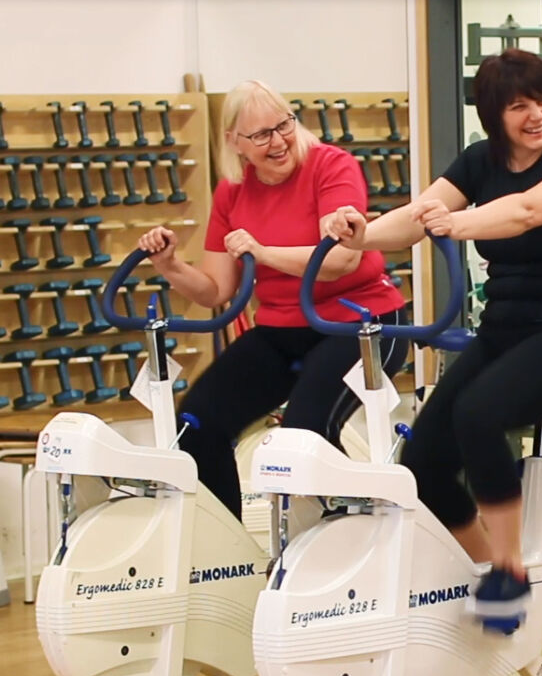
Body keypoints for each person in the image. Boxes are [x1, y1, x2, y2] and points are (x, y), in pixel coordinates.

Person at [320, 49, 542, 624]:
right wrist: (360, 234)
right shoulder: (480, 161)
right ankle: (489, 572)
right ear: (493, 115)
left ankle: (511, 571)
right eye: (519, 106)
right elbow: (416, 217)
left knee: (479, 414)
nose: (537, 115)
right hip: (506, 332)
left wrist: (457, 222)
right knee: (424, 461)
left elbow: (528, 210)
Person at [137, 79, 408, 520]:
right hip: (284, 331)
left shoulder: (330, 166)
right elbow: (216, 290)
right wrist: (169, 265)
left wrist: (262, 253)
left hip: (360, 324)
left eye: (284, 125)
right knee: (197, 423)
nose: (279, 142)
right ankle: (228, 545)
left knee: (304, 433)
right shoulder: (232, 190)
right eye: (261, 135)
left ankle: (341, 538)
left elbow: (340, 259)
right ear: (235, 142)